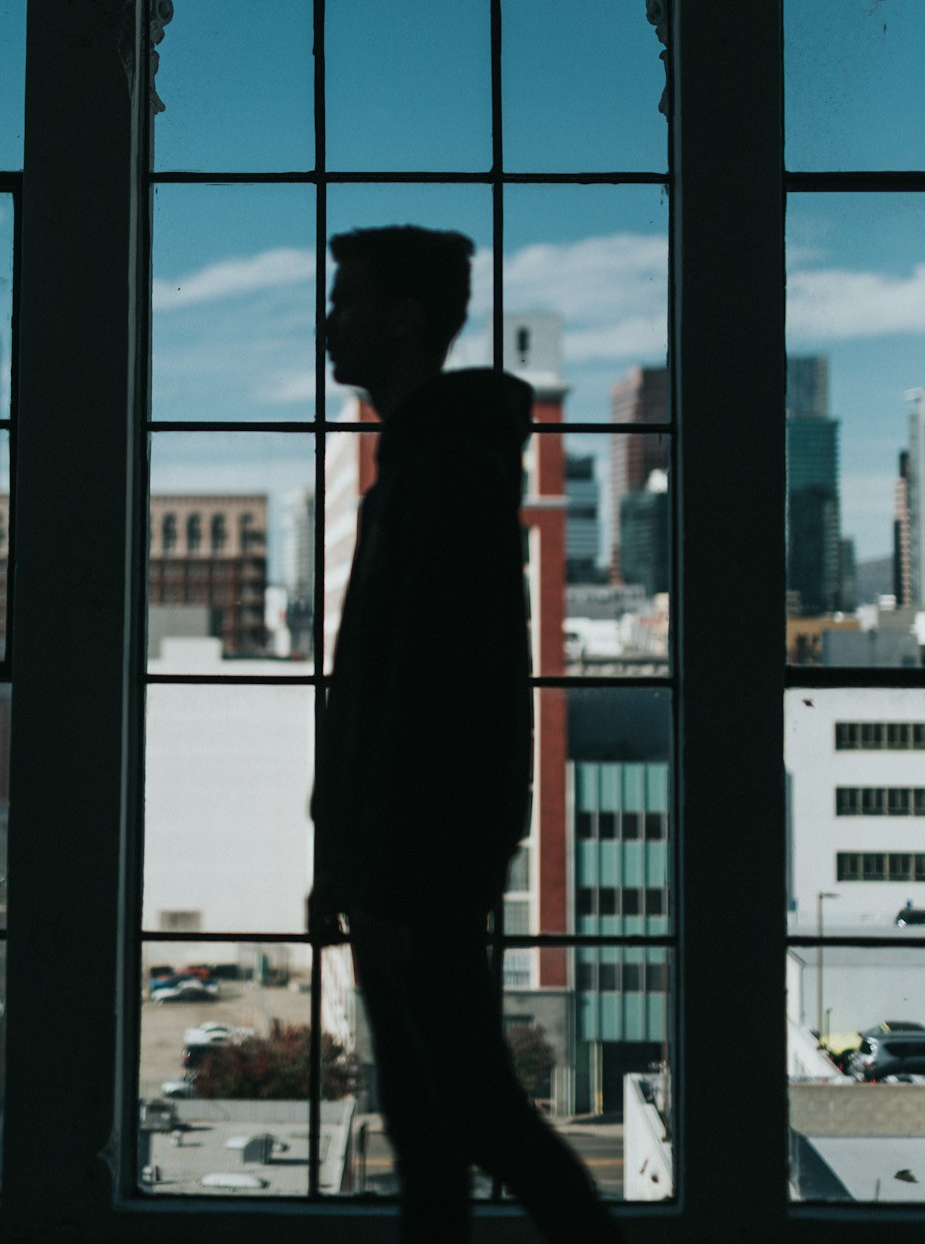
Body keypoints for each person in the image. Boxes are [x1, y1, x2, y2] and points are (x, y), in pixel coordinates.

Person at [310, 225, 623, 1242]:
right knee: (433, 1125)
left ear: (401, 320)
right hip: (402, 869)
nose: (329, 320)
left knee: (472, 1114)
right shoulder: (423, 468)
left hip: (417, 874)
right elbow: (385, 690)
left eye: (346, 299)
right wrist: (343, 863)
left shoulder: (442, 475)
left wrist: (383, 872)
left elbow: (430, 698)